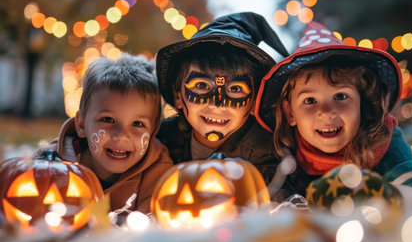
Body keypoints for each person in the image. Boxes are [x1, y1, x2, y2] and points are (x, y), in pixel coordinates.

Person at [255, 21, 412, 208]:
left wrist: (373, 193)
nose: (326, 112)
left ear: (362, 105)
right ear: (290, 113)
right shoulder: (282, 152)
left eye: (340, 96)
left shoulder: (383, 143)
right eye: (310, 100)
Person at [156, 12, 289, 187]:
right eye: (202, 86)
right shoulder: (161, 141)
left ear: (254, 102)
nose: (217, 104)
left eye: (235, 89)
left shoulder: (270, 154)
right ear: (178, 96)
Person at [34, 54, 173, 215]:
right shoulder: (49, 163)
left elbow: (149, 229)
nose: (121, 135)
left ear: (153, 131)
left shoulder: (158, 171)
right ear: (81, 125)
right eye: (108, 119)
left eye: (137, 124)